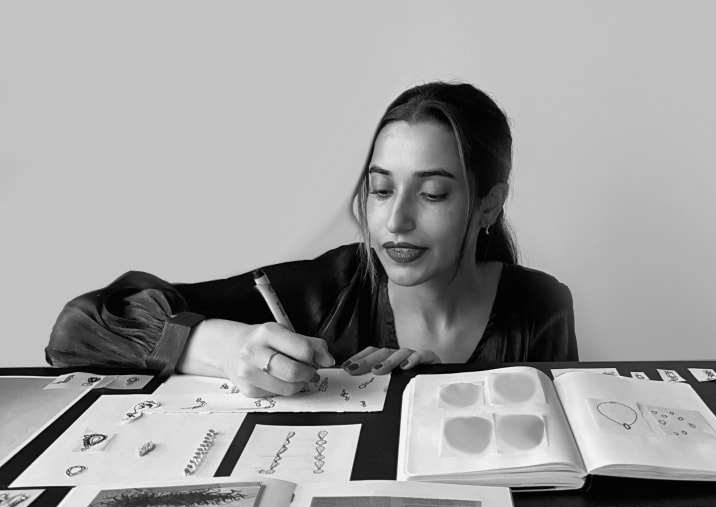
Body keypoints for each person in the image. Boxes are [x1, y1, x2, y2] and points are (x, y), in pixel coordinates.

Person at [46, 81, 577, 394]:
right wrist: (223, 349)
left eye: (433, 194)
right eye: (381, 190)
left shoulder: (541, 305)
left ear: (488, 201)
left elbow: (556, 454)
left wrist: (439, 394)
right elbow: (77, 330)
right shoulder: (329, 289)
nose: (395, 222)